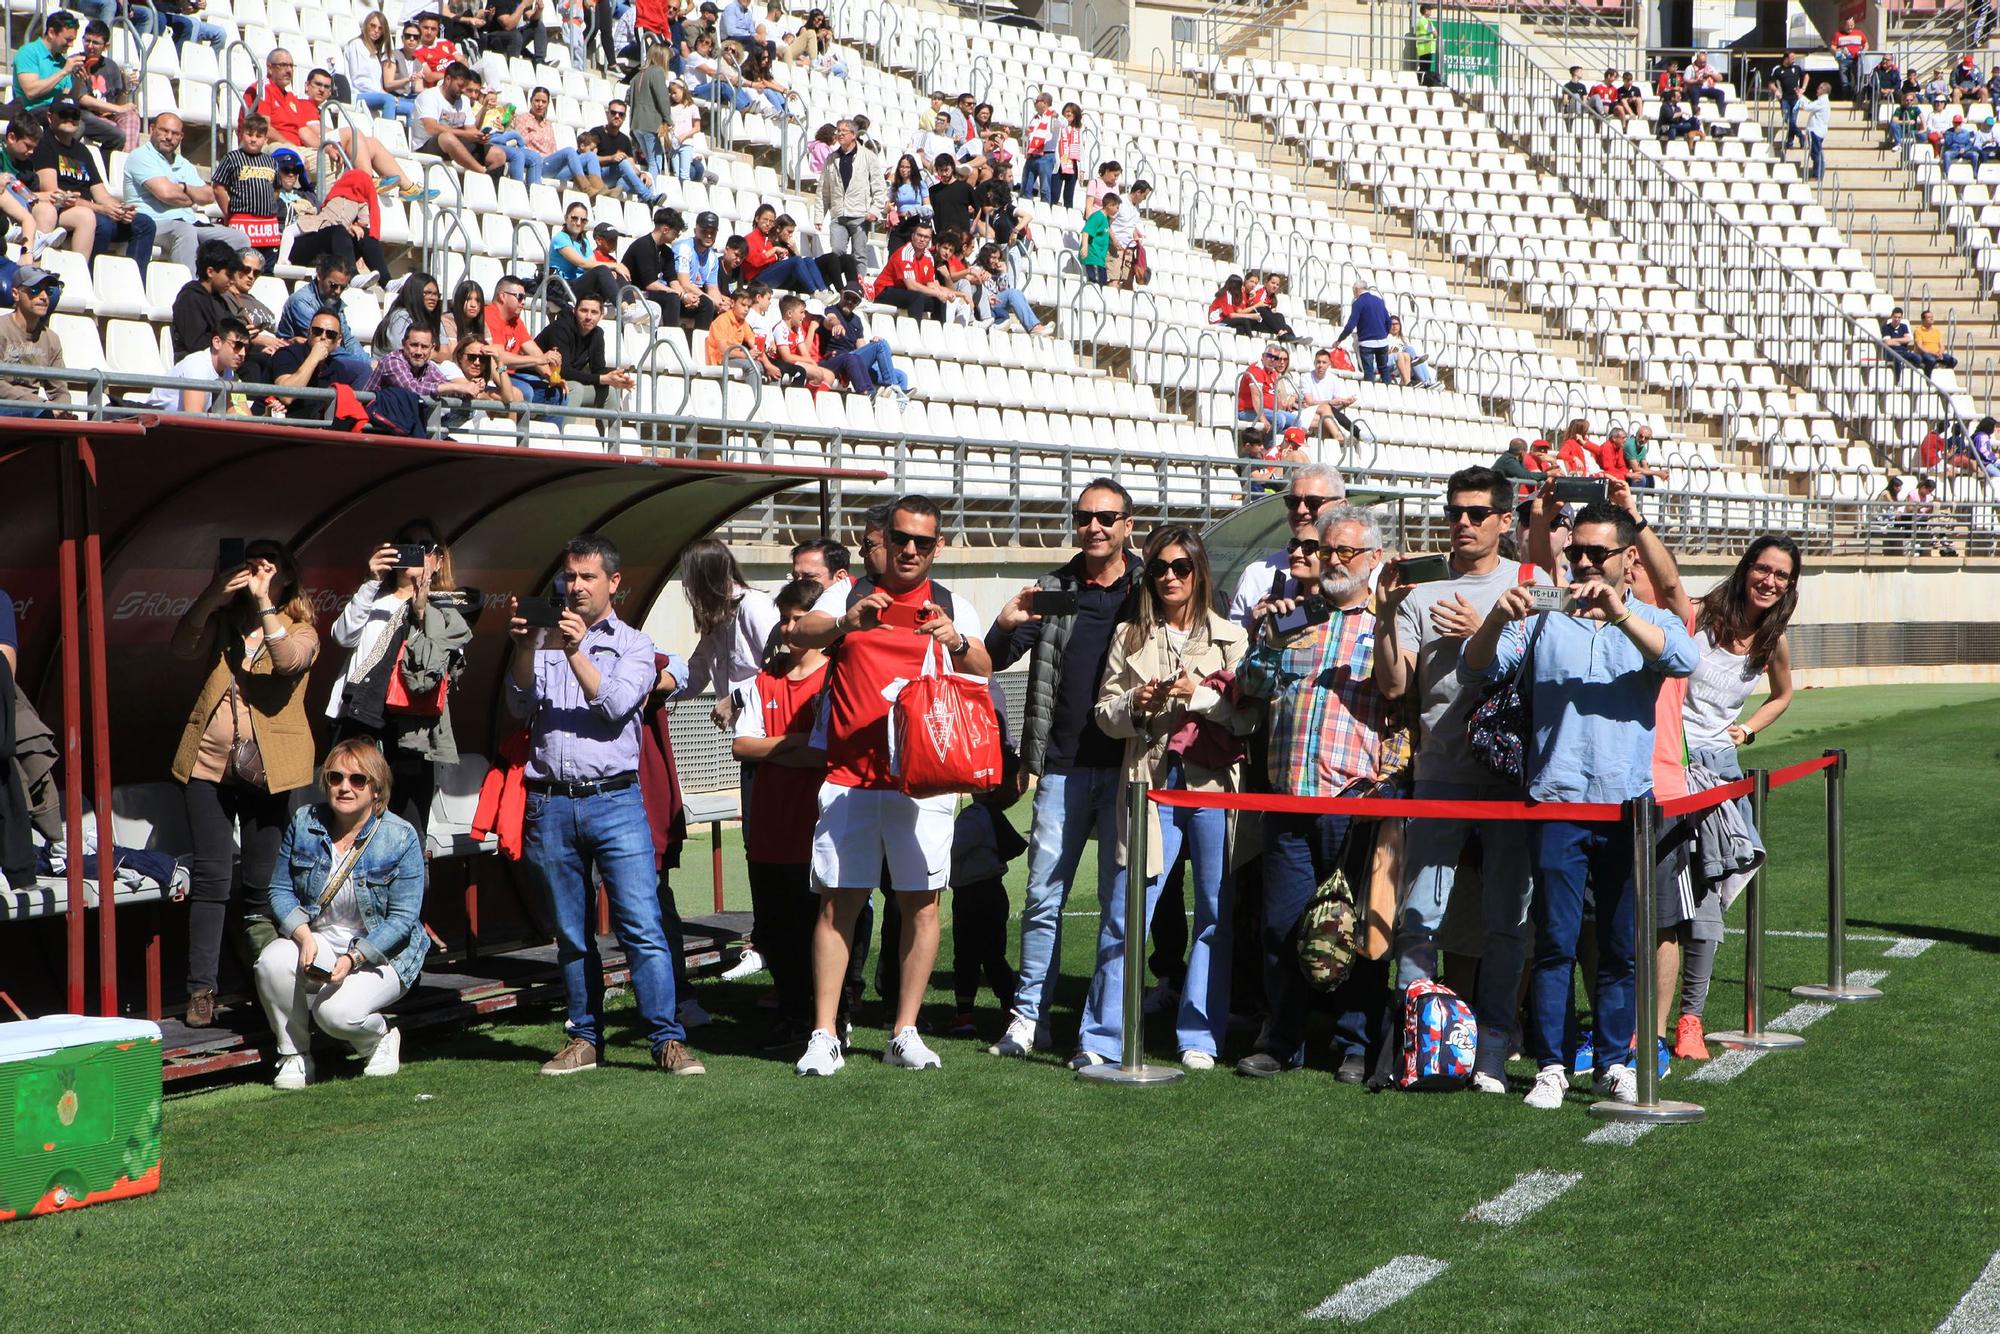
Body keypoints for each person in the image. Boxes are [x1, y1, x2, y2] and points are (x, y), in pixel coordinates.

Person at [1462, 501, 1698, 1110]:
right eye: (1576, 553)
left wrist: (1619, 614)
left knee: (1620, 944)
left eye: (1598, 553)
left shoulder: (1649, 617)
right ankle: (1552, 1064)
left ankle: (1615, 1060)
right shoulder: (1545, 617)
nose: (1584, 563)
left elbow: (1682, 660)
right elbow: (1478, 668)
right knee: (1556, 943)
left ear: (1626, 559)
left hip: (1626, 804)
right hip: (1558, 801)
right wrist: (1494, 619)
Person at [784, 495, 992, 1076]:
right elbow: (804, 632)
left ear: (937, 547)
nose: (909, 550)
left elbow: (983, 668)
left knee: (921, 906)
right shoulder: (850, 593)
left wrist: (952, 639)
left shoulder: (951, 603)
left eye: (923, 543)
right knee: (837, 903)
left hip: (923, 782)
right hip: (850, 777)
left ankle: (905, 1029)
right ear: (886, 536)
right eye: (901, 538)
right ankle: (824, 1033)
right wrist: (850, 622)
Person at [506, 534, 705, 1077]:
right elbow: (518, 703)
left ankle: (666, 1038)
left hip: (615, 802)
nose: (575, 587)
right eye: (570, 576)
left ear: (613, 583)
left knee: (641, 926)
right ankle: (584, 1038)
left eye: (587, 577)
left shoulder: (636, 645)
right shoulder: (546, 638)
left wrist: (573, 651)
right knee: (571, 934)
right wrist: (526, 650)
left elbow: (616, 706)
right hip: (551, 803)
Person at [1373, 467, 1546, 1090]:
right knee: (1420, 915)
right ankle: (1419, 1043)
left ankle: (1494, 1044)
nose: (1463, 523)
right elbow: (1394, 684)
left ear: (1506, 520)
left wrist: (1484, 633)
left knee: (1508, 917)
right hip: (1440, 773)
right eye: (1454, 512)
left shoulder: (1533, 584)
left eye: (1477, 513)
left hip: (1508, 776)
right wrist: (1388, 614)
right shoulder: (1420, 591)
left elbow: (1541, 677)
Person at [1075, 526, 1250, 1071]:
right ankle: (1101, 1036)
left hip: (1215, 784)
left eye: (1180, 567)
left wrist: (1198, 697)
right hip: (1147, 784)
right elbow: (1104, 716)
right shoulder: (1130, 634)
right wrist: (1137, 700)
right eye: (1157, 568)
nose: (1168, 577)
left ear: (1199, 571)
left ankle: (1198, 1035)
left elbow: (1249, 718)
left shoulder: (1232, 636)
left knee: (1216, 915)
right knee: (1127, 910)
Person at [1234, 507, 1395, 1079]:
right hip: (1289, 795)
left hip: (1355, 800)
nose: (1332, 561)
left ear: (1373, 559)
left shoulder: (1386, 626)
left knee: (1358, 927)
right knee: (1282, 925)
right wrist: (1272, 640)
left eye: (1346, 552)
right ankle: (1282, 1040)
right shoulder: (1293, 617)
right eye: (1327, 551)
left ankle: (1355, 1042)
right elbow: (1247, 690)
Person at [983, 480, 1140, 1058]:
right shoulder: (1053, 588)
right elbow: (990, 660)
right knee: (1043, 897)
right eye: (1083, 518)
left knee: (1118, 905)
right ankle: (1028, 1019)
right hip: (1062, 767)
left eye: (1106, 517)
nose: (1093, 527)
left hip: (1131, 769)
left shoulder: (1151, 586)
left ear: (1128, 524)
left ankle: (1101, 1031)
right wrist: (1003, 623)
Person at [169, 539, 320, 1027]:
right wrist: (214, 594)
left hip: (269, 774)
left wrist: (264, 602)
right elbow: (181, 646)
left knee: (260, 888)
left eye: (269, 567)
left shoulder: (302, 630)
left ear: (288, 578)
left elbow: (286, 661)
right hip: (209, 769)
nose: (258, 573)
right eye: (250, 566)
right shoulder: (224, 623)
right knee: (212, 881)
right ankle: (201, 992)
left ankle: (269, 990)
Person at [1671, 536, 1799, 1058]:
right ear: (1746, 569)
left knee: (1706, 899)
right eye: (1763, 569)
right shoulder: (1698, 616)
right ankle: (1633, 1017)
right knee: (1653, 896)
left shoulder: (1774, 636)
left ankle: (1690, 1019)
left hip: (1719, 773)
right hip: (1668, 764)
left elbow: (1783, 694)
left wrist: (1745, 732)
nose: (1769, 580)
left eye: (1782, 575)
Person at [253, 738, 428, 1088]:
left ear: (377, 789)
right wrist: (302, 936)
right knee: (272, 961)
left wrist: (352, 958)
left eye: (357, 780)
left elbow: (403, 919)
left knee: (334, 1015)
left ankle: (379, 1038)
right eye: (335, 778)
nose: (344, 787)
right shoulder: (305, 821)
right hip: (320, 940)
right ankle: (294, 1055)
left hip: (385, 952)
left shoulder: (400, 836)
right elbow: (280, 890)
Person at [731, 576, 830, 1047]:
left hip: (816, 828)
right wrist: (793, 743)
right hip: (768, 827)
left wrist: (777, 748)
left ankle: (828, 1015)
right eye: (784, 619)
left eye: (798, 619)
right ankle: (790, 1013)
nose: (789, 629)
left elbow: (826, 753)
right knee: (776, 928)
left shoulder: (833, 677)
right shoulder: (763, 681)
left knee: (818, 926)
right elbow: (742, 745)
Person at [325, 525, 471, 841]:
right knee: (351, 827)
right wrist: (371, 580)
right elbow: (342, 636)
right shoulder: (375, 596)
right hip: (359, 723)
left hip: (410, 732)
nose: (414, 552)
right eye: (405, 544)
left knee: (405, 832)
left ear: (438, 559)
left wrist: (422, 612)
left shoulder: (449, 607)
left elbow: (436, 667)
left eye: (424, 546)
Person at [33, 99, 153, 277]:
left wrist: (119, 209)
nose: (70, 119)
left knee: (144, 224)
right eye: (64, 114)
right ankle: (87, 278)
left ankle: (134, 282)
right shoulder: (44, 145)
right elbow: (55, 194)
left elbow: (101, 194)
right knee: (100, 222)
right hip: (64, 209)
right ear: (51, 118)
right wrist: (101, 209)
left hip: (90, 209)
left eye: (74, 115)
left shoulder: (82, 151)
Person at [124, 112, 253, 272]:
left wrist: (183, 188)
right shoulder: (141, 156)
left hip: (189, 222)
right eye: (164, 131)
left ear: (181, 137)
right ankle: (191, 291)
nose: (169, 137)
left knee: (239, 239)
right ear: (152, 129)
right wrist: (191, 197)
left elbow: (208, 195)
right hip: (153, 223)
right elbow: (166, 194)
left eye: (175, 133)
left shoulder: (183, 164)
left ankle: (223, 292)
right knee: (185, 231)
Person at [1225, 461, 1346, 627]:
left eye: (1313, 503)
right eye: (1293, 502)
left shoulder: (1364, 572)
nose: (1301, 511)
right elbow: (1233, 646)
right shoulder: (1257, 574)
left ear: (1342, 507)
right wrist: (1257, 629)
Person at [542, 293, 638, 427]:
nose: (588, 317)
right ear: (574, 311)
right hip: (542, 381)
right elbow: (563, 371)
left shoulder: (597, 334)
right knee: (575, 388)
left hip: (563, 384)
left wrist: (616, 377)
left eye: (594, 312)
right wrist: (602, 378)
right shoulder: (560, 329)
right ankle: (562, 440)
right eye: (583, 311)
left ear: (601, 315)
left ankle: (612, 444)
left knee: (608, 392)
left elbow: (597, 369)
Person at [0, 265, 73, 417]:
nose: (44, 296)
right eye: (35, 290)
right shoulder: (2, 329)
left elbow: (60, 390)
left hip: (35, 410)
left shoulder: (51, 339)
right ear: (16, 294)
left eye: (49, 291)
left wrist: (63, 409)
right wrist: (39, 403)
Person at [483, 275, 563, 405]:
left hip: (509, 375)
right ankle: (517, 425)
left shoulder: (516, 321)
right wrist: (539, 360)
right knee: (525, 391)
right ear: (502, 296)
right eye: (520, 297)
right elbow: (500, 358)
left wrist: (552, 378)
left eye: (524, 298)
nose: (523, 302)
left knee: (558, 394)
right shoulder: (489, 315)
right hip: (492, 375)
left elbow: (534, 351)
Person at [416, 61, 505, 174]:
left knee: (498, 155)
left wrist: (479, 137)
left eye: (464, 86)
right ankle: (483, 172)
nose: (463, 90)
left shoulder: (464, 100)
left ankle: (487, 188)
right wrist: (465, 134)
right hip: (426, 146)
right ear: (448, 79)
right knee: (447, 137)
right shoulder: (429, 96)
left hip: (457, 144)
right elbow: (431, 128)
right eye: (460, 85)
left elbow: (471, 129)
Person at [147, 317, 250, 413]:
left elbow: (228, 411)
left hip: (177, 426)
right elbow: (194, 416)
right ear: (217, 342)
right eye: (238, 345)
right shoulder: (197, 366)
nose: (243, 353)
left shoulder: (228, 371)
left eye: (246, 347)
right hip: (155, 424)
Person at [869, 219, 964, 322]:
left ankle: (939, 333)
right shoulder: (905, 253)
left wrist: (945, 293)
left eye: (926, 237)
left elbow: (931, 285)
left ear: (930, 240)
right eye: (919, 235)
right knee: (916, 297)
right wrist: (937, 293)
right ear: (913, 236)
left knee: (939, 300)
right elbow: (911, 285)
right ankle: (915, 333)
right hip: (884, 291)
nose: (922, 239)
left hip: (903, 291)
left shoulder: (928, 257)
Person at [817, 119, 883, 263]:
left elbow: (879, 187)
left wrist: (875, 210)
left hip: (860, 215)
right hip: (838, 214)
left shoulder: (868, 156)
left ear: (853, 134)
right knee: (836, 251)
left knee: (859, 255)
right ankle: (840, 284)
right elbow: (823, 190)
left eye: (844, 131)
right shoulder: (831, 159)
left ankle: (858, 284)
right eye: (838, 131)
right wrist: (819, 217)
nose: (840, 134)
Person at [1337, 281, 1394, 383]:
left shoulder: (1358, 303)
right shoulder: (1379, 300)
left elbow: (1351, 325)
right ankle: (1388, 391)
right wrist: (1384, 334)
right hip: (1382, 342)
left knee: (1368, 371)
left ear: (1357, 290)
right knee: (1384, 369)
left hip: (1367, 343)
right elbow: (1388, 321)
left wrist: (1340, 339)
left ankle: (1369, 393)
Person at [1080, 192, 1114, 285]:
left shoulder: (1106, 219)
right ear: (1109, 206)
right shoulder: (1097, 217)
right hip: (1093, 256)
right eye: (1116, 207)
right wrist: (1085, 247)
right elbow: (1086, 231)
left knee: (1102, 283)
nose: (1117, 210)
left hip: (1100, 258)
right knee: (1095, 283)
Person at [1803, 81, 1832, 180]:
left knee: (1816, 153)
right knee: (1816, 152)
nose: (1817, 89)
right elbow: (1811, 104)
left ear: (1824, 90)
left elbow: (1807, 107)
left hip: (1816, 130)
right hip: (1819, 130)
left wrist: (1800, 97)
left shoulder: (1822, 101)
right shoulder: (1822, 101)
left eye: (1819, 88)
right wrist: (1801, 96)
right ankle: (1818, 174)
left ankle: (1817, 175)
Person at [1411, 1, 1438, 87]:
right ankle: (1423, 83)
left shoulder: (1419, 21)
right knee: (1425, 68)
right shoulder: (1426, 21)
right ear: (1426, 10)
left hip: (1421, 48)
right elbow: (1435, 33)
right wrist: (1435, 36)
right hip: (1427, 48)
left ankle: (1419, 82)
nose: (1430, 11)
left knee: (1422, 67)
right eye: (1429, 9)